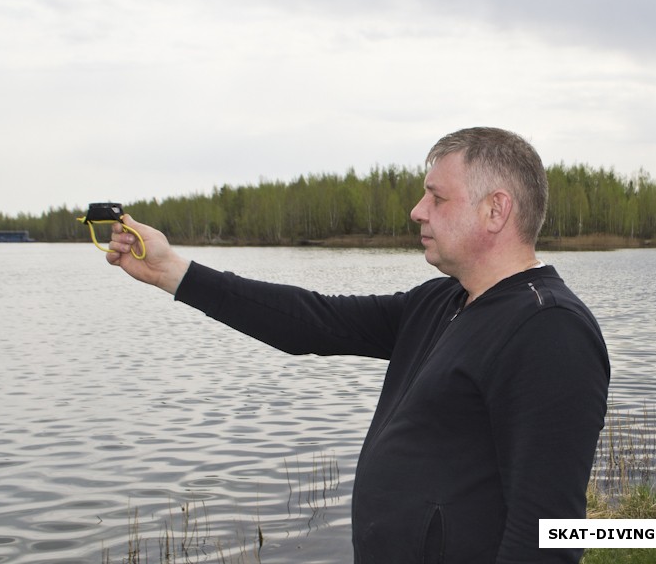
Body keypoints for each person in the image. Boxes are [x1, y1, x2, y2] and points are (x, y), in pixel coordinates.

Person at [105, 127, 610, 563]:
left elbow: (551, 531)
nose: (418, 211)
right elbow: (312, 322)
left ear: (495, 210)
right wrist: (174, 273)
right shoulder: (442, 302)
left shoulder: (549, 329)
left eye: (437, 197)